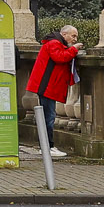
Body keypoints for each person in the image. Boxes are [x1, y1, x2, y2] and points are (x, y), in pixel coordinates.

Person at [25, 24, 80, 159]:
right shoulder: (54, 43)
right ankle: (47, 147)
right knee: (48, 117)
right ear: (64, 34)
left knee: (47, 116)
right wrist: (74, 49)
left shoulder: (53, 42)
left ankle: (46, 146)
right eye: (73, 36)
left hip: (47, 86)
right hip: (47, 86)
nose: (74, 39)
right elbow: (60, 57)